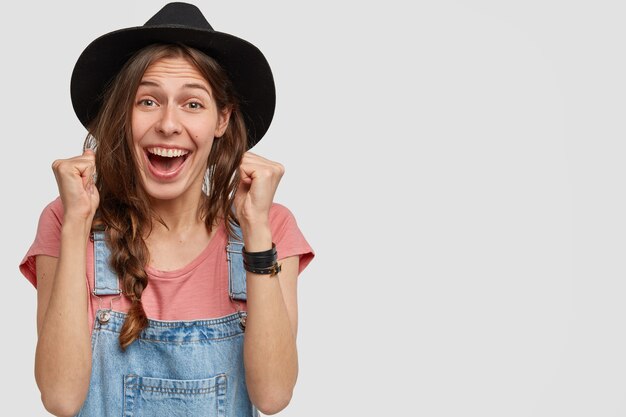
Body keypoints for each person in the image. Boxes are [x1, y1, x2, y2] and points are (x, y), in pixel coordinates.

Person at [18, 3, 314, 416]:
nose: (169, 124)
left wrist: (257, 232)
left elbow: (273, 396)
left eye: (192, 104)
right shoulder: (66, 218)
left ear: (222, 119)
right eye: (147, 102)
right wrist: (75, 225)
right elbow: (60, 399)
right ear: (123, 115)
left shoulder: (269, 227)